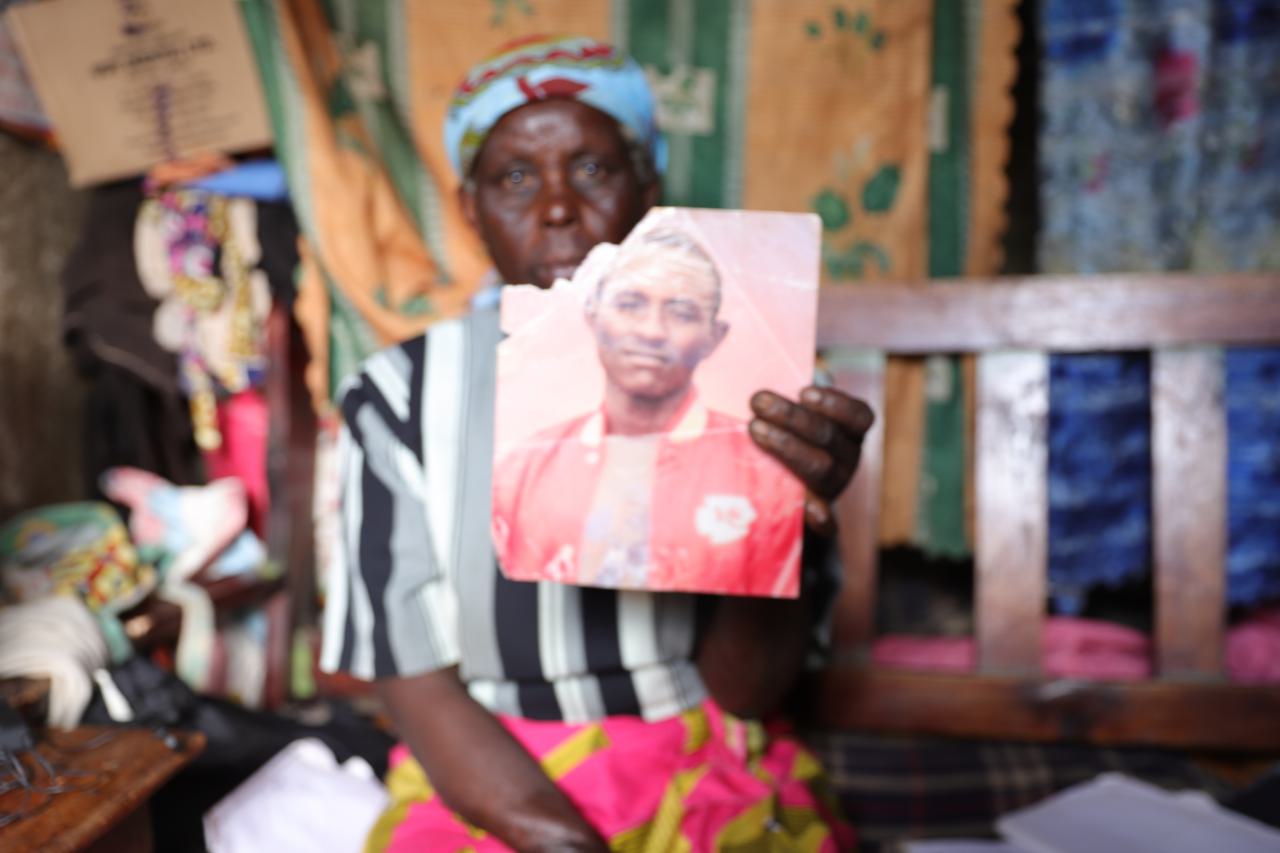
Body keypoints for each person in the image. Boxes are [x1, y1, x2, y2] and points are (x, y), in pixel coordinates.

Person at [320, 35, 873, 852]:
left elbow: (747, 693)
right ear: (471, 210)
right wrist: (558, 839)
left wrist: (782, 517)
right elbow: (414, 676)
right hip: (492, 772)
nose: (555, 207)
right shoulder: (399, 393)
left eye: (593, 169)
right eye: (514, 176)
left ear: (647, 191)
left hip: (696, 746)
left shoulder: (746, 368)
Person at [493, 225, 803, 596]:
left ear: (714, 336)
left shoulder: (766, 474)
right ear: (592, 318)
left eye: (682, 313)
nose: (652, 330)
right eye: (630, 305)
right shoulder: (526, 468)